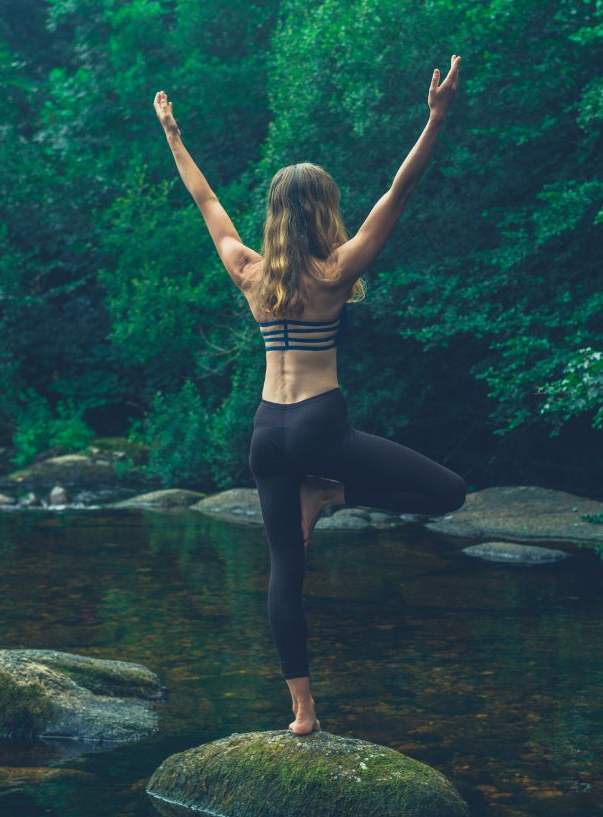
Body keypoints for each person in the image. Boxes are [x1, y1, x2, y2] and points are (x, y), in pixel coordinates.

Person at [153, 55, 466, 736]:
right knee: (449, 493)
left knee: (283, 572)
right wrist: (435, 118)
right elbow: (399, 190)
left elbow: (206, 203)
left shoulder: (247, 269)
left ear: (272, 215)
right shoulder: (337, 269)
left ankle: (301, 712)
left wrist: (175, 137)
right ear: (324, 210)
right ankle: (334, 494)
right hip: (323, 426)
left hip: (267, 429)